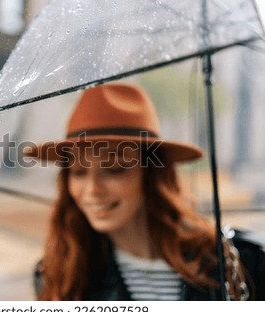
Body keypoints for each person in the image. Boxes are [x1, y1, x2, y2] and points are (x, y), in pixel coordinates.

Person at [26, 82, 265, 300]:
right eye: (78, 172)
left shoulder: (240, 262)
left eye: (115, 169)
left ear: (152, 175)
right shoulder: (59, 277)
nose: (92, 190)